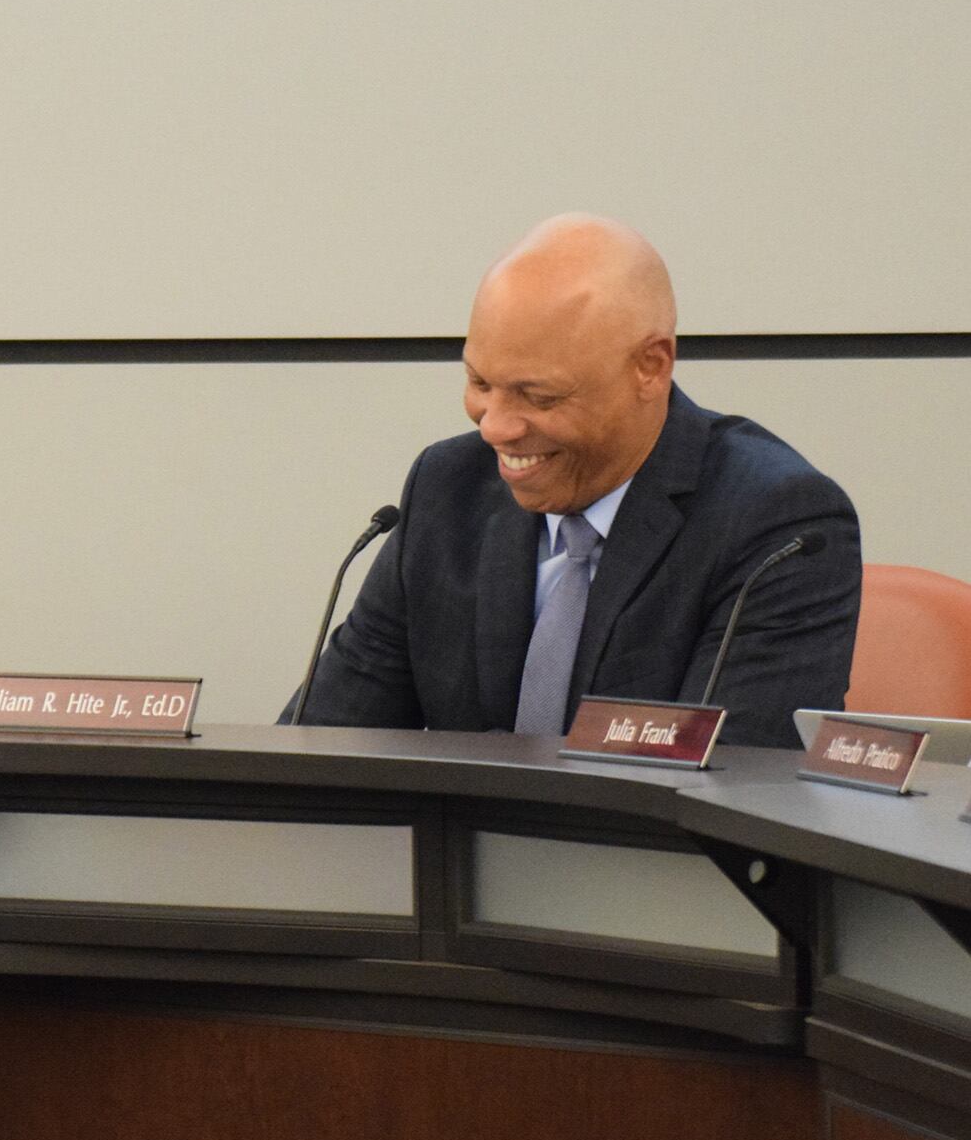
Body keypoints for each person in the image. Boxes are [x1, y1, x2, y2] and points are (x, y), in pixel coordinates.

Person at [289, 214, 860, 749]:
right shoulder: (448, 489)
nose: (496, 428)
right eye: (480, 383)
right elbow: (325, 746)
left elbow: (730, 787)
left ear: (651, 367)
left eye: (538, 396)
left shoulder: (777, 523)